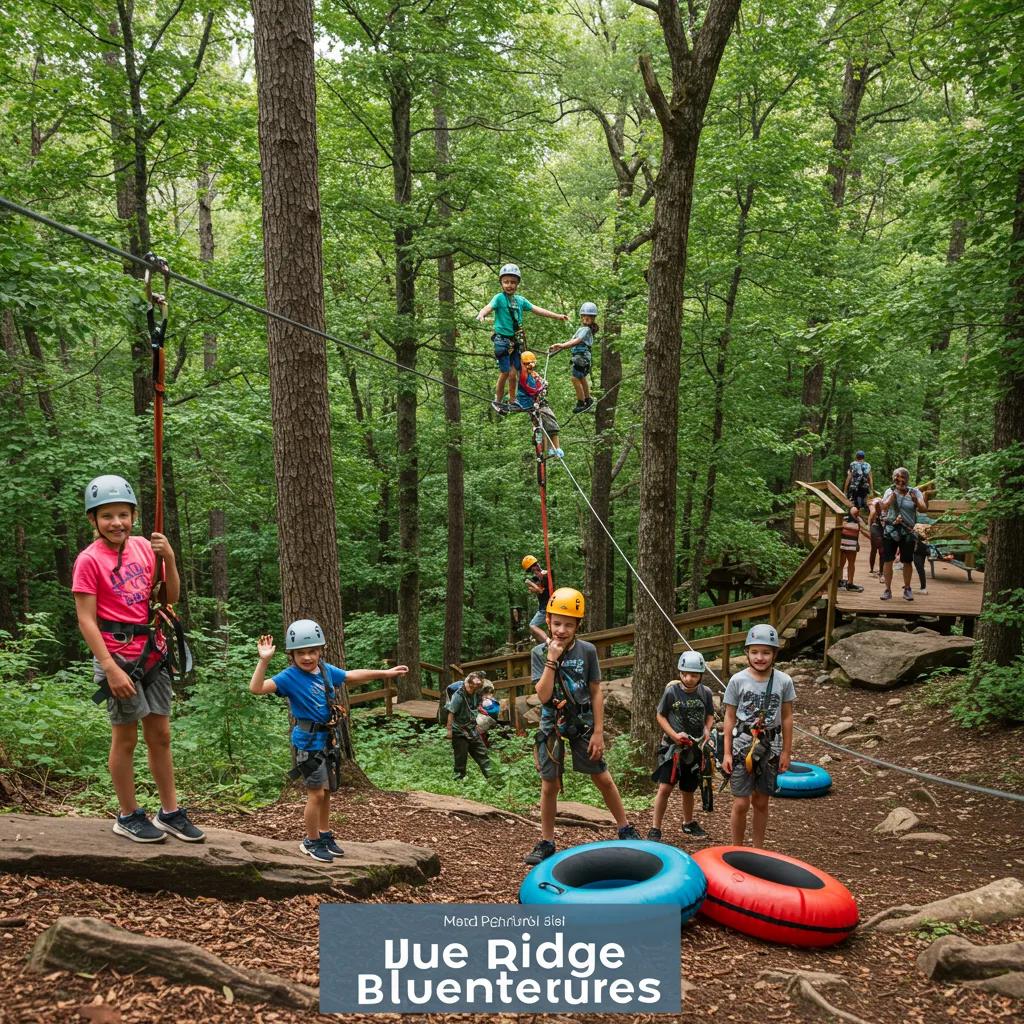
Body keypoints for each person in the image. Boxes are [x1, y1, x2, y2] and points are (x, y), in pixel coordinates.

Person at [72, 474, 205, 844]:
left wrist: (171, 559)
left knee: (161, 735)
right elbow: (86, 619)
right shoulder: (88, 560)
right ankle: (128, 814)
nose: (116, 523)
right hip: (117, 656)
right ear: (93, 520)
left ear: (133, 515)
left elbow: (170, 598)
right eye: (107, 516)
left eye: (123, 515)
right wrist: (110, 668)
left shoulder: (147, 548)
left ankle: (170, 811)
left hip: (152, 652)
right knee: (126, 738)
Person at [249, 621, 408, 863]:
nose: (307, 657)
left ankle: (323, 835)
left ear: (321, 650)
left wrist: (385, 674)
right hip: (308, 743)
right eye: (301, 652)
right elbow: (257, 688)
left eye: (312, 651)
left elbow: (351, 676)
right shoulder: (289, 677)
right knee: (315, 795)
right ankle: (310, 841)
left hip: (327, 740)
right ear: (291, 655)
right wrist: (264, 660)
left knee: (326, 792)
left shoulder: (324, 670)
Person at [524, 587, 640, 864]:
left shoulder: (587, 651)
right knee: (549, 783)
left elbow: (596, 690)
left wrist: (598, 732)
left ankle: (624, 827)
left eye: (568, 624)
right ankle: (547, 840)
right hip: (552, 721)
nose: (561, 630)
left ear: (578, 625)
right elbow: (542, 695)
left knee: (602, 776)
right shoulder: (539, 653)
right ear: (548, 621)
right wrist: (552, 659)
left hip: (583, 720)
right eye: (556, 623)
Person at [722, 624, 795, 849]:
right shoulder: (738, 680)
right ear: (747, 653)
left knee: (761, 801)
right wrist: (726, 752)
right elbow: (729, 717)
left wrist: (786, 752)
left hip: (770, 747)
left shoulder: (783, 681)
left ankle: (758, 849)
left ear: (774, 654)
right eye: (754, 652)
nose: (760, 657)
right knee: (741, 802)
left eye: (765, 652)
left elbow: (787, 717)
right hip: (742, 746)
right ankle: (737, 848)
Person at [475, 264, 568, 415]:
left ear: (517, 284)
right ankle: (497, 400)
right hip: (502, 341)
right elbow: (488, 307)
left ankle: (514, 401)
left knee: (517, 372)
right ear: (501, 283)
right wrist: (482, 314)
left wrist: (557, 316)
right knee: (505, 372)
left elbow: (537, 309)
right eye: (506, 282)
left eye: (512, 282)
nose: (509, 285)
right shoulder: (499, 298)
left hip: (516, 341)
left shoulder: (520, 301)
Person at [648, 651, 715, 842]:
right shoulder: (672, 692)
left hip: (694, 748)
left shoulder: (705, 693)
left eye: (694, 675)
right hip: (672, 749)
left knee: (688, 789)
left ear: (701, 675)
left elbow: (709, 714)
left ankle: (688, 822)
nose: (689, 678)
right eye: (685, 673)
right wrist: (674, 735)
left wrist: (707, 729)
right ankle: (655, 828)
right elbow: (660, 715)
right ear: (680, 673)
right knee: (665, 788)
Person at [880, 467, 928, 602]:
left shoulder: (915, 492)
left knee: (907, 561)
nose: (900, 482)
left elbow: (924, 509)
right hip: (891, 529)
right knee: (888, 559)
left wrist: (915, 500)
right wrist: (891, 498)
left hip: (907, 531)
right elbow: (883, 507)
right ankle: (887, 589)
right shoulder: (889, 491)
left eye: (902, 479)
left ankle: (907, 588)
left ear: (907, 480)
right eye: (897, 478)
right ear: (893, 478)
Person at [512, 351, 563, 457]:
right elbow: (531, 390)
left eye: (531, 363)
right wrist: (541, 388)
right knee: (544, 424)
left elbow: (540, 387)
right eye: (526, 364)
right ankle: (547, 449)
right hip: (532, 404)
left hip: (537, 403)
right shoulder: (523, 376)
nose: (529, 366)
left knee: (546, 424)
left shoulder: (533, 375)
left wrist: (543, 385)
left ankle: (553, 448)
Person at [548, 302, 597, 413]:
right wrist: (558, 348)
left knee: (574, 378)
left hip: (581, 358)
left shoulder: (586, 330)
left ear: (593, 318)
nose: (586, 318)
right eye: (584, 316)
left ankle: (581, 402)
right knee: (581, 378)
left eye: (589, 316)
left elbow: (576, 341)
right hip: (581, 358)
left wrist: (561, 345)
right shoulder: (583, 329)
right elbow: (572, 340)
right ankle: (588, 399)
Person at [446, 672, 491, 779]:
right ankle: (458, 781)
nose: (472, 689)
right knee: (460, 760)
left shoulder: (477, 692)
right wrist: (449, 730)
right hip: (459, 731)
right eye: (471, 687)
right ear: (469, 684)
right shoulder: (459, 695)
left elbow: (475, 707)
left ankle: (496, 781)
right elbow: (451, 712)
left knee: (482, 754)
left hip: (471, 729)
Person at [522, 554, 552, 645]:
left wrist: (530, 583)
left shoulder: (545, 575)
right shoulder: (538, 577)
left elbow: (541, 591)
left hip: (546, 606)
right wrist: (534, 588)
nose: (534, 571)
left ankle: (548, 641)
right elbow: (538, 590)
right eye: (532, 570)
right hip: (545, 605)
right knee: (550, 626)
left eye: (534, 569)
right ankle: (548, 642)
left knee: (532, 625)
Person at [838, 505, 864, 592]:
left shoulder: (858, 519)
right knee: (841, 563)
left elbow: (864, 529)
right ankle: (839, 581)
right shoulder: (844, 517)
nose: (857, 511)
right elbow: (839, 526)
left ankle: (850, 583)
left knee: (851, 563)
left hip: (852, 544)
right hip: (842, 543)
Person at [867, 496, 886, 578]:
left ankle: (880, 571)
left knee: (879, 550)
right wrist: (869, 528)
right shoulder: (874, 507)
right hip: (876, 526)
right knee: (877, 548)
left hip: (882, 527)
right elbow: (871, 517)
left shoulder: (884, 505)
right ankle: (874, 570)